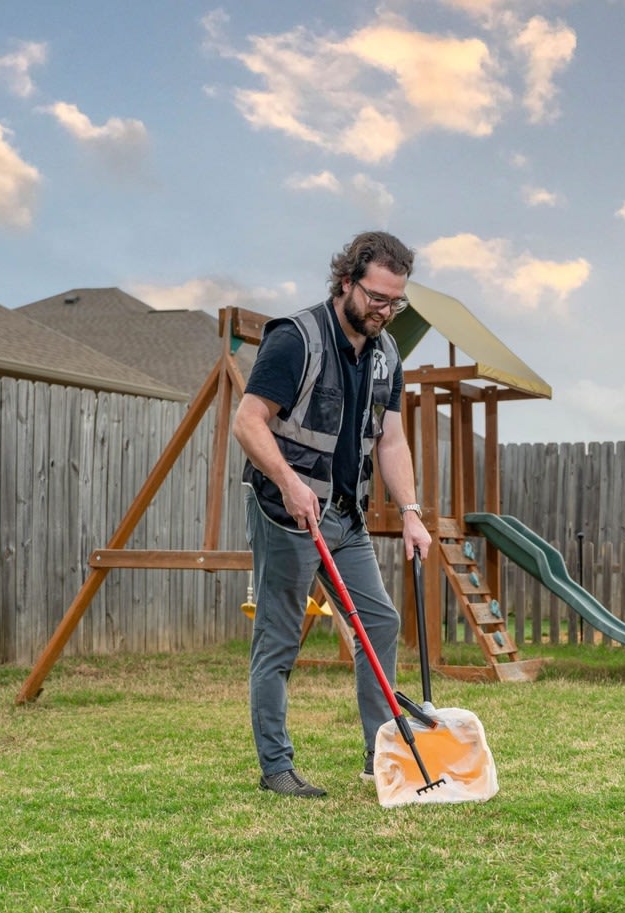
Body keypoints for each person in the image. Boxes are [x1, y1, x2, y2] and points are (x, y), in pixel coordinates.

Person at [232, 230, 433, 798]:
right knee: (279, 639)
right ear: (346, 282)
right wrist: (290, 484)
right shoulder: (295, 339)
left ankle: (381, 754)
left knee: (380, 623)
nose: (385, 311)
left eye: (396, 302)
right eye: (377, 297)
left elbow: (391, 439)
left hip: (345, 516)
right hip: (286, 513)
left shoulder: (386, 355)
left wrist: (411, 512)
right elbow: (248, 421)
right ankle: (276, 768)